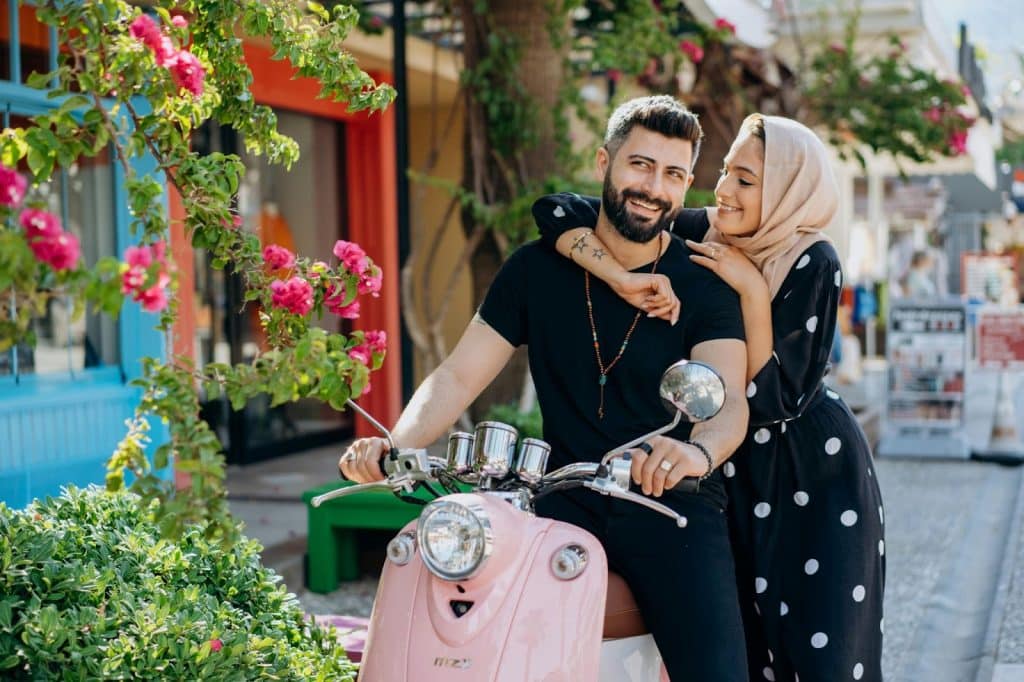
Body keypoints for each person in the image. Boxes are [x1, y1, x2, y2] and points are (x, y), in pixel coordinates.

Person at [341, 95, 752, 681]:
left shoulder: (704, 286)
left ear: (687, 186)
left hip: (671, 503)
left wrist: (695, 451)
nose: (654, 187)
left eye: (673, 174)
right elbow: (457, 374)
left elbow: (727, 400)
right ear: (603, 161)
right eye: (640, 164)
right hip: (563, 497)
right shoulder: (536, 269)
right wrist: (395, 445)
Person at [532, 114, 885, 682]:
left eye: (746, 180)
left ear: (785, 188)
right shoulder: (706, 231)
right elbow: (554, 211)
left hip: (806, 474)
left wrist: (748, 288)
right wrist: (619, 278)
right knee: (742, 641)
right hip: (726, 468)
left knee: (821, 648)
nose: (723, 190)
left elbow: (773, 395)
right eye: (725, 170)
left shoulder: (812, 259)